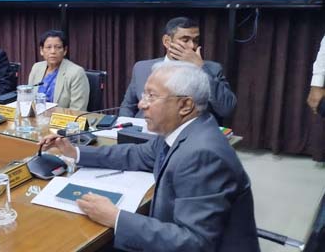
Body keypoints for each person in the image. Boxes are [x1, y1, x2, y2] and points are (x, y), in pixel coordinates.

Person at [40, 61, 259, 252]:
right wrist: (75, 152)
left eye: (151, 96)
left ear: (185, 105)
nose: (141, 104)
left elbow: (194, 243)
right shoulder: (183, 130)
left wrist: (116, 217)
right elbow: (135, 154)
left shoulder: (203, 155)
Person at [119, 16, 236, 123]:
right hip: (145, 131)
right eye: (185, 40)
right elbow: (128, 106)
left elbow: (226, 108)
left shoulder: (212, 70)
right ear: (167, 42)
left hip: (187, 135)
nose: (192, 46)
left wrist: (201, 68)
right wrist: (125, 129)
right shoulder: (141, 68)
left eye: (195, 40)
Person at [27, 30, 89, 110]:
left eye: (58, 47)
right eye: (48, 47)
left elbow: (77, 110)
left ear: (65, 50)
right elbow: (28, 99)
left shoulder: (76, 73)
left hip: (61, 117)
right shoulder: (37, 68)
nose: (53, 51)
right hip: (36, 115)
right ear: (41, 50)